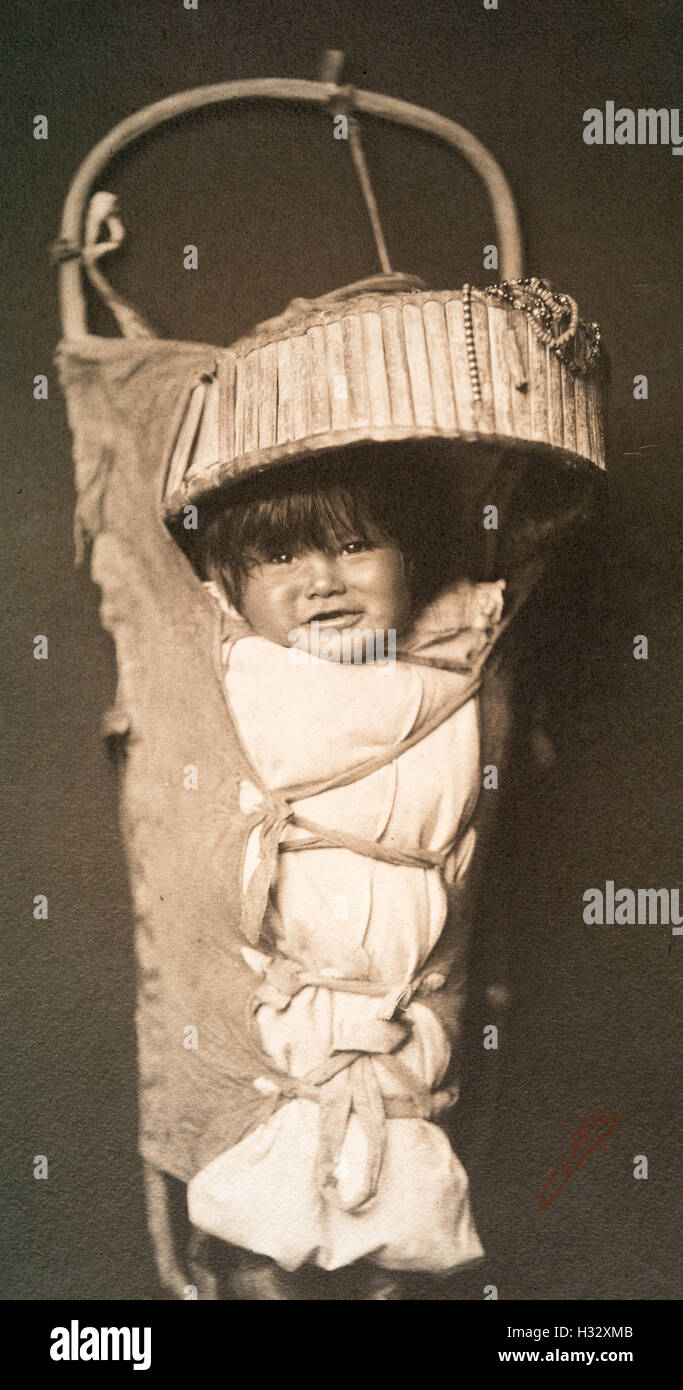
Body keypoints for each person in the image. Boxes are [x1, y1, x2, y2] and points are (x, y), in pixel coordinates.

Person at [183, 449, 508, 1299]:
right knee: (265, 1224)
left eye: (355, 546)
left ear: (413, 564)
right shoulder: (243, 680)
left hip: (401, 1013)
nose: (322, 579)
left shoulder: (458, 673)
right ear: (229, 584)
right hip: (283, 1009)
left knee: (398, 1221)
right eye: (281, 556)